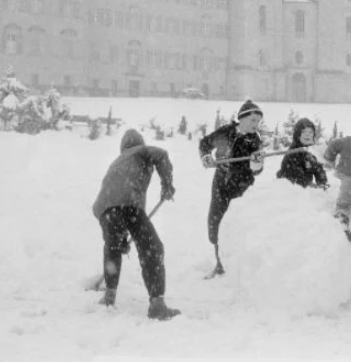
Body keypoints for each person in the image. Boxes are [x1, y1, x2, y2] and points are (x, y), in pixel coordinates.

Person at [92, 128, 180, 321]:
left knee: (112, 249)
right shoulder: (141, 150)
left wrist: (119, 237)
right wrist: (167, 183)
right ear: (139, 142)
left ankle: (109, 296)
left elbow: (110, 198)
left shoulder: (117, 162)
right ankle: (157, 304)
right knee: (152, 248)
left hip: (104, 209)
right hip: (129, 204)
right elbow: (162, 155)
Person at [199, 99, 265, 278]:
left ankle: (236, 267)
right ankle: (220, 263)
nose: (256, 125)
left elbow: (257, 171)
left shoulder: (255, 140)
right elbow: (205, 143)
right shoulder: (226, 132)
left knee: (235, 223)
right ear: (241, 119)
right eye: (252, 120)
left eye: (258, 122)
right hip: (221, 182)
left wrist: (256, 164)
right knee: (216, 220)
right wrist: (206, 157)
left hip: (242, 186)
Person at [276, 117, 328, 189]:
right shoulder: (293, 152)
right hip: (288, 185)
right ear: (298, 135)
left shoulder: (312, 151)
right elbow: (294, 175)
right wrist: (310, 185)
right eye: (304, 131)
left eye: (310, 132)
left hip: (303, 184)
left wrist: (322, 182)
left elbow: (319, 169)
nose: (308, 134)